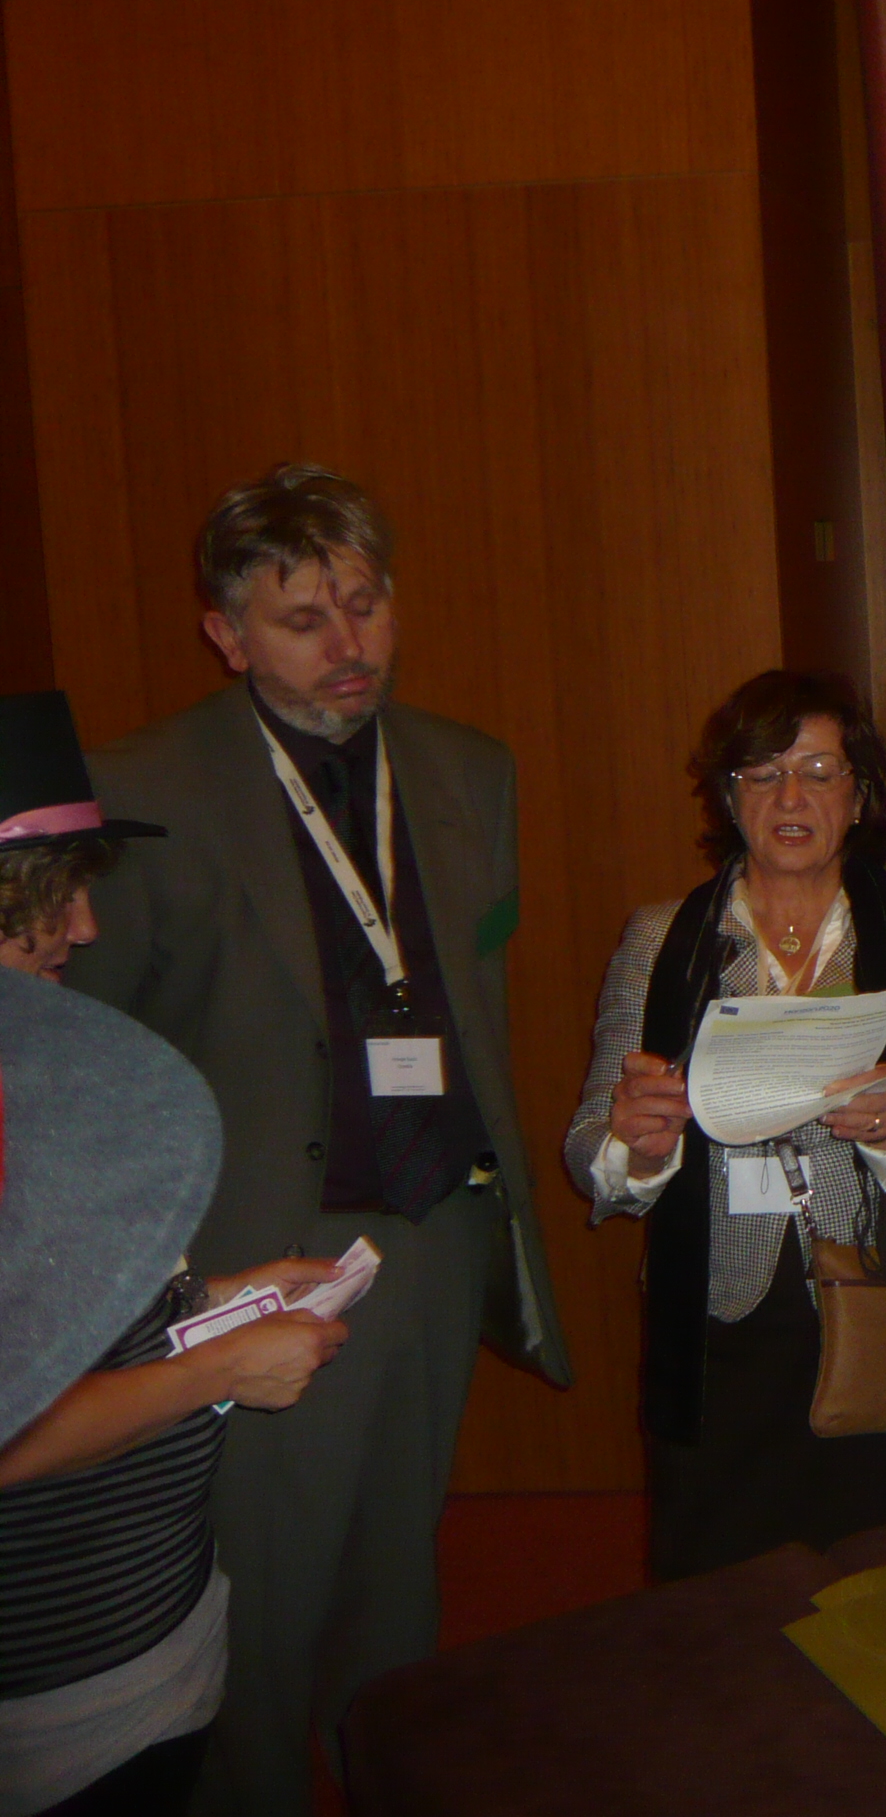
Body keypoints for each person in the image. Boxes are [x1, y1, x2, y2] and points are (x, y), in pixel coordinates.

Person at [64, 464, 570, 1816]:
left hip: (433, 1233)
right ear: (226, 634)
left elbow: (473, 993)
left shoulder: (469, 770)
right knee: (263, 1608)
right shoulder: (140, 790)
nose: (349, 644)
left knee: (397, 1585)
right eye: (303, 619)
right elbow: (98, 1061)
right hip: (255, 1258)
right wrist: (156, 1288)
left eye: (366, 604)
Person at [1, 691, 344, 1816]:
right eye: (54, 896)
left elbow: (59, 1322)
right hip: (57, 1688)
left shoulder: (33, 1069)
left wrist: (211, 1303)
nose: (86, 927)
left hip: (148, 1635)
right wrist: (217, 1370)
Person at [567, 669, 886, 1579]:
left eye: (820, 771)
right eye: (763, 772)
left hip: (885, 1301)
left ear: (859, 796)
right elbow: (590, 1145)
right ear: (729, 795)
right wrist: (636, 1144)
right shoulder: (661, 939)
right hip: (719, 1313)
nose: (791, 797)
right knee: (725, 1588)